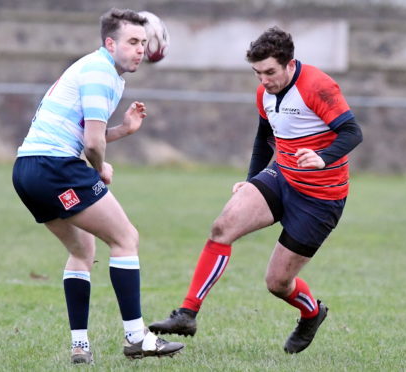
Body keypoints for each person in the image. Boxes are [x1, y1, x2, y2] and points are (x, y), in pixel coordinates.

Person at [149, 26, 363, 354]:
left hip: (320, 198)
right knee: (222, 227)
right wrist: (251, 181)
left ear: (290, 65)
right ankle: (187, 313)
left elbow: (351, 132)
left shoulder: (317, 86)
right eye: (257, 72)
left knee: (277, 283)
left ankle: (311, 313)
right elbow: (264, 136)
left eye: (270, 72)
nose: (263, 80)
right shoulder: (264, 93)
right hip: (281, 176)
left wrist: (322, 158)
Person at [12, 8, 183, 364]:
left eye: (143, 42)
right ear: (110, 43)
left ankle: (80, 346)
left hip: (28, 169)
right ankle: (137, 337)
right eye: (133, 42)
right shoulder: (101, 73)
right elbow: (91, 145)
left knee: (82, 251)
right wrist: (100, 167)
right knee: (125, 239)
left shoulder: (98, 70)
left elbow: (87, 134)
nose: (141, 49)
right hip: (55, 167)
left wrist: (123, 131)